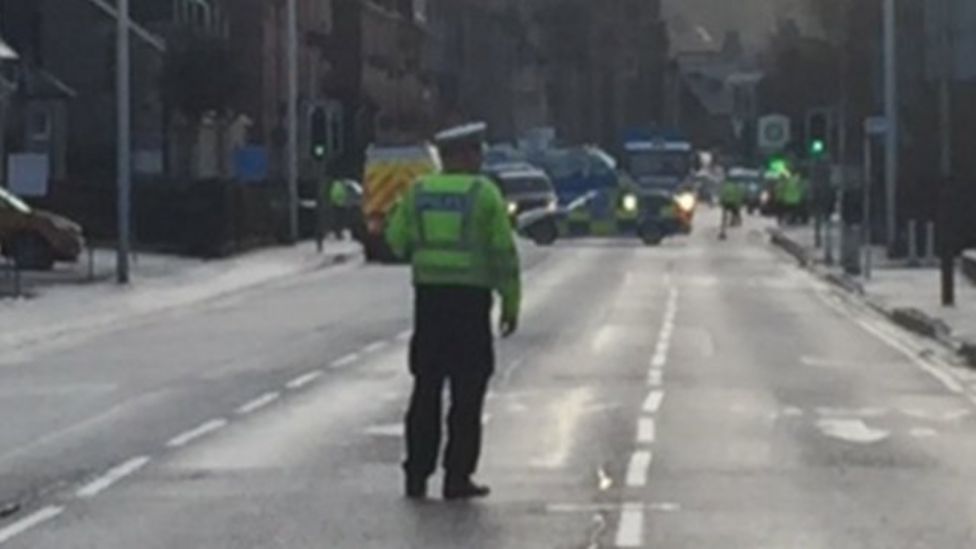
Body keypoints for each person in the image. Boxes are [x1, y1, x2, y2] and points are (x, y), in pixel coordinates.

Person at [386, 122, 521, 501]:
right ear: (463, 155)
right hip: (470, 306)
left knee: (425, 391)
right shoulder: (484, 195)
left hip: (429, 305)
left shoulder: (418, 192)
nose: (479, 158)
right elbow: (504, 256)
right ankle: (457, 477)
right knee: (467, 395)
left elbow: (397, 243)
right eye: (475, 151)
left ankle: (416, 475)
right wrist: (510, 303)